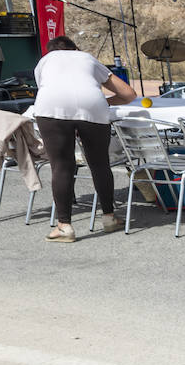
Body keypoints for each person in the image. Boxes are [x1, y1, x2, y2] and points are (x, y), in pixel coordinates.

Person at [32, 36, 137, 243]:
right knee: (100, 164)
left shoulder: (44, 61)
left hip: (51, 107)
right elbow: (128, 94)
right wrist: (100, 102)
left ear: (50, 51)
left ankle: (64, 227)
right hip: (93, 105)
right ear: (76, 48)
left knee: (61, 166)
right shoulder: (87, 58)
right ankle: (109, 217)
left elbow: (46, 89)